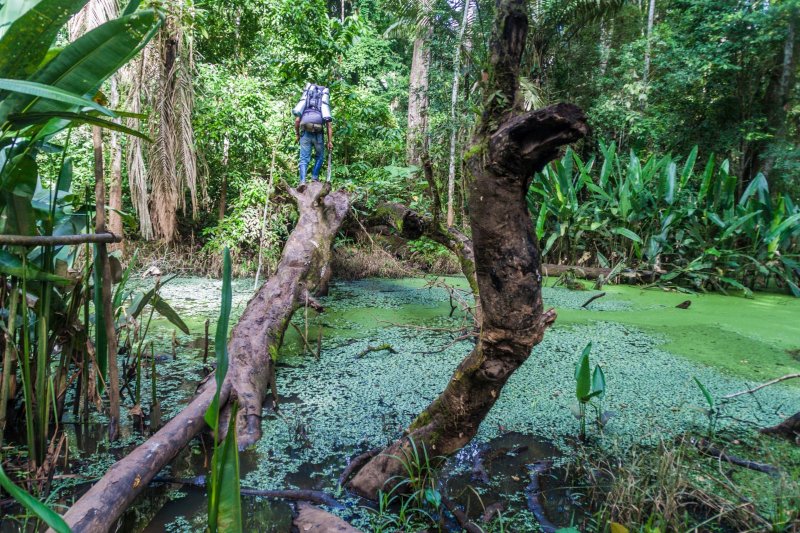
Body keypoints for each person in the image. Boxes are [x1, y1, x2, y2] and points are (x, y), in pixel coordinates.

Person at [292, 83, 333, 189]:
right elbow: (329, 125)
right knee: (319, 156)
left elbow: (297, 121)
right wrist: (329, 141)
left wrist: (297, 135)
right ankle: (314, 178)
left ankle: (302, 181)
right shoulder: (323, 106)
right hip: (318, 134)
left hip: (305, 133)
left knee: (304, 158)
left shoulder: (304, 106)